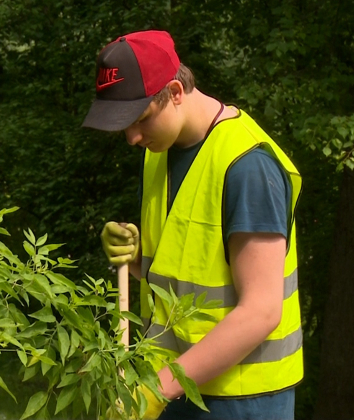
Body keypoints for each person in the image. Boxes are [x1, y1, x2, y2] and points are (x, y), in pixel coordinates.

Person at [83, 30, 303, 420]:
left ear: (175, 91)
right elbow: (184, 273)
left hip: (241, 402)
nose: (132, 137)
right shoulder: (158, 152)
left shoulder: (247, 167)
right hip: (175, 391)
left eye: (140, 119)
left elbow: (261, 310)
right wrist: (134, 259)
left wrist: (154, 390)